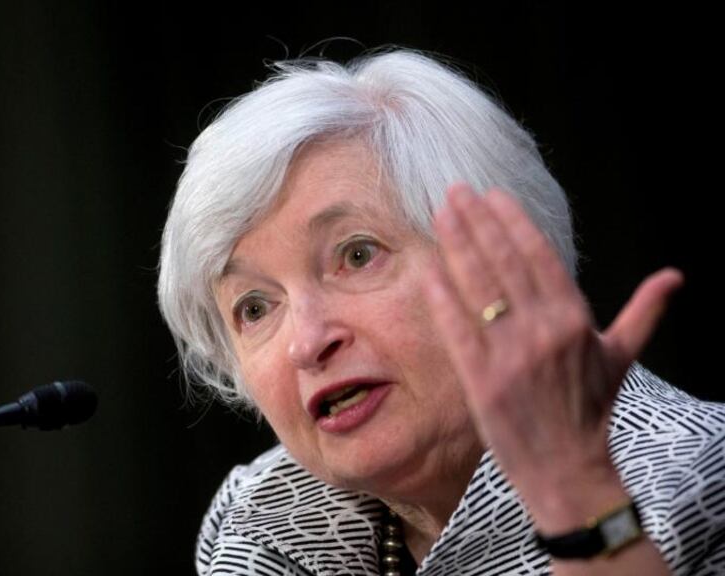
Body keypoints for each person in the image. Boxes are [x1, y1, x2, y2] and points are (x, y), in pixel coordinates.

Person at [157, 49, 725, 575]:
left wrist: (581, 501)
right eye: (254, 307)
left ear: (500, 256)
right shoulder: (260, 517)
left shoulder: (702, 473)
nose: (307, 343)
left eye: (358, 255)